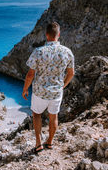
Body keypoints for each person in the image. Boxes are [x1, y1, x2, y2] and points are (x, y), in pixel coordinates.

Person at [22, 22, 74, 153]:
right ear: (59, 34)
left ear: (46, 35)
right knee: (53, 117)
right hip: (56, 92)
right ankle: (50, 142)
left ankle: (38, 143)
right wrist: (63, 85)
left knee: (36, 114)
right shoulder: (67, 52)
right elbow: (71, 73)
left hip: (40, 92)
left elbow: (30, 74)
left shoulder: (38, 52)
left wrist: (25, 89)